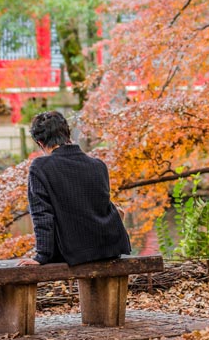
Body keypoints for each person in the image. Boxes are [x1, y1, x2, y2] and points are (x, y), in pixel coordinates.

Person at [18, 111, 131, 266]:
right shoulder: (98, 165)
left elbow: (42, 215)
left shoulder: (40, 168)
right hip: (111, 246)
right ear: (67, 134)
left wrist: (41, 256)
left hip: (75, 252)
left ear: (40, 143)